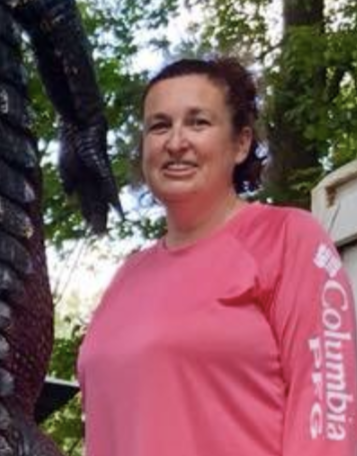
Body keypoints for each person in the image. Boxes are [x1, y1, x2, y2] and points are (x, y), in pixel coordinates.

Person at [78, 57, 357, 454]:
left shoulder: (287, 239)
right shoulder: (127, 277)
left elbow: (327, 415)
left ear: (241, 143)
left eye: (198, 122)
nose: (175, 142)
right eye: (159, 125)